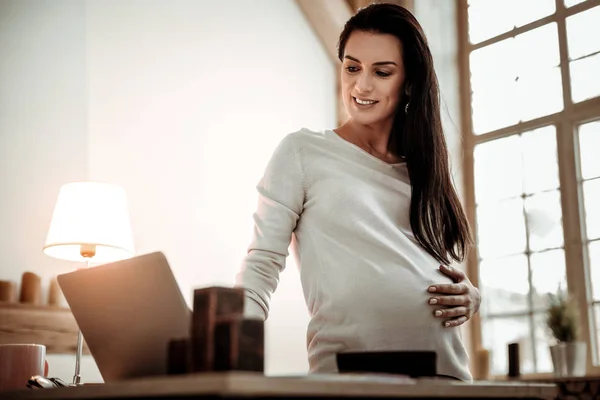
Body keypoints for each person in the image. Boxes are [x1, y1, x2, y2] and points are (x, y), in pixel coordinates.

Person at [235, 3, 481, 382]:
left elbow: (433, 267)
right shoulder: (302, 152)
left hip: (446, 378)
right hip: (350, 379)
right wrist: (230, 340)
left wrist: (472, 296)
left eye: (381, 72)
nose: (361, 85)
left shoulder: (427, 172)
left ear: (410, 82)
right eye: (352, 67)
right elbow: (261, 266)